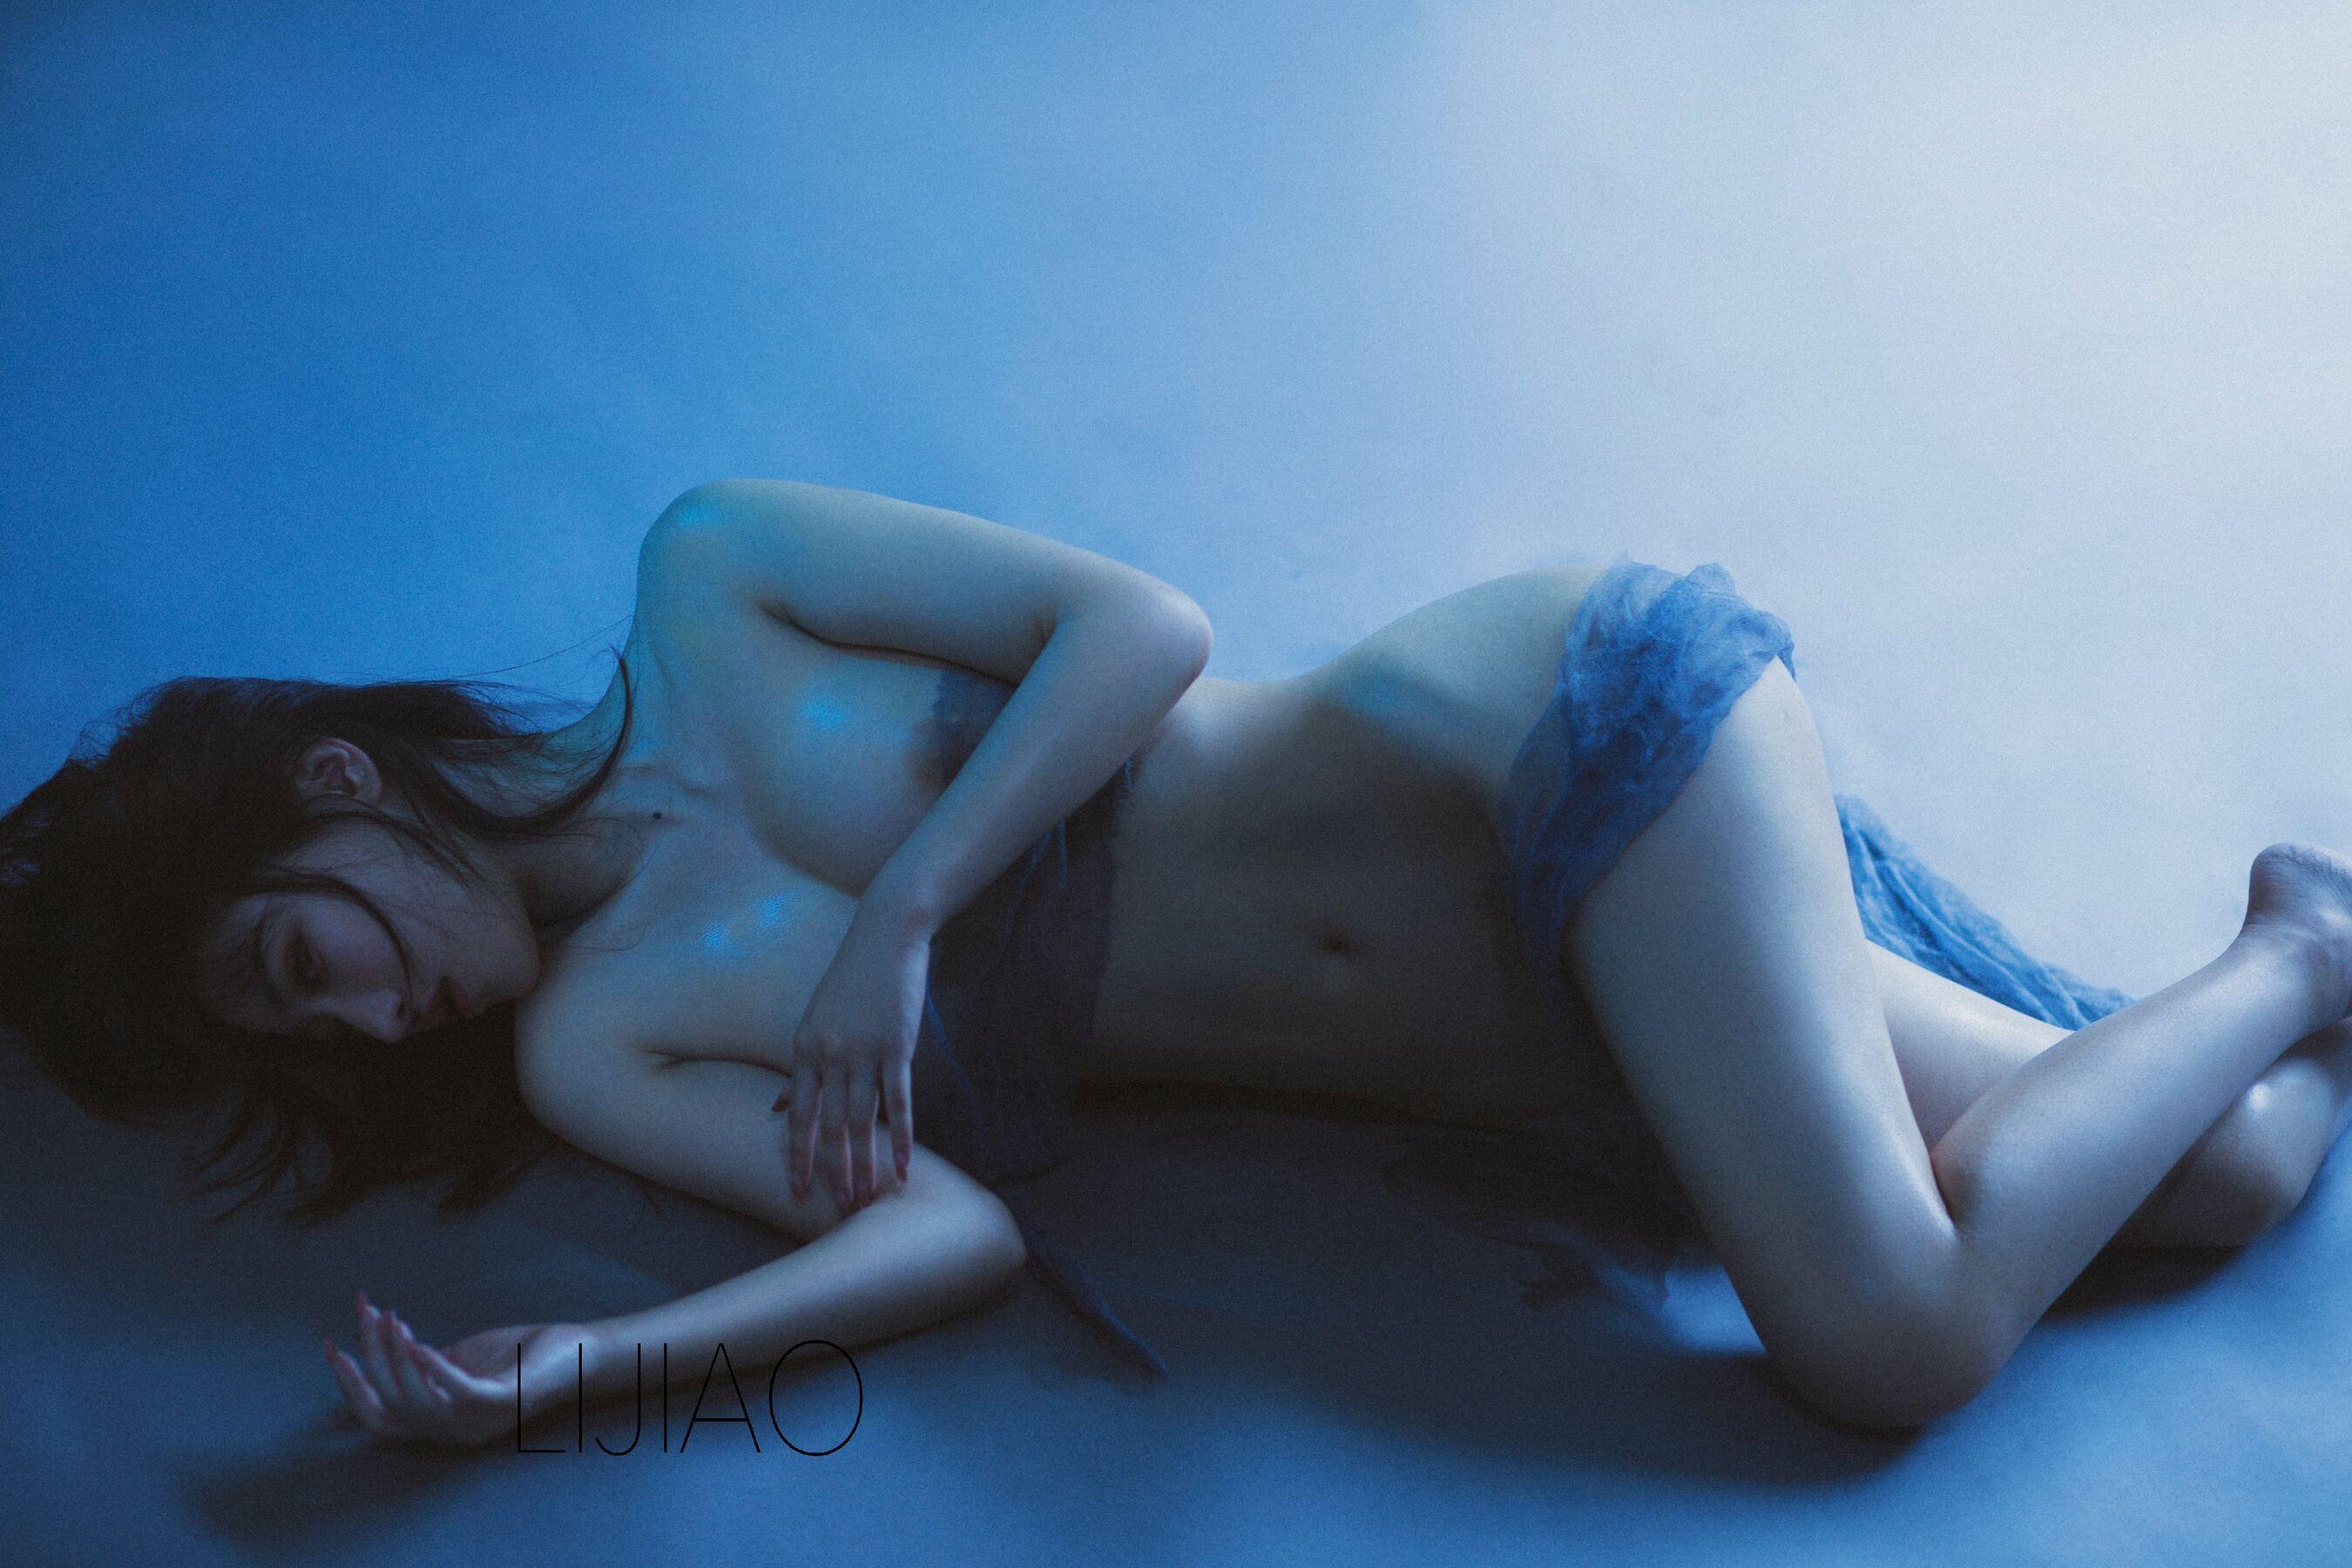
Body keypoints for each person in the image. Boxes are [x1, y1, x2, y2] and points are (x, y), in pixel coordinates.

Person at [7, 478, 2352, 1449]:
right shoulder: (603, 1044)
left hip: (1533, 748)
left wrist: (901, 921)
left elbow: (1141, 629)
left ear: (333, 786)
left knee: (1885, 1337)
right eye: (309, 1040)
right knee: (2237, 1168)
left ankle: (2301, 941)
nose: (370, 1018)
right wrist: (590, 1368)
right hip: (1553, 1034)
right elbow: (946, 1231)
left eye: (301, 956)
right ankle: (2295, 948)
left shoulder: (711, 581)